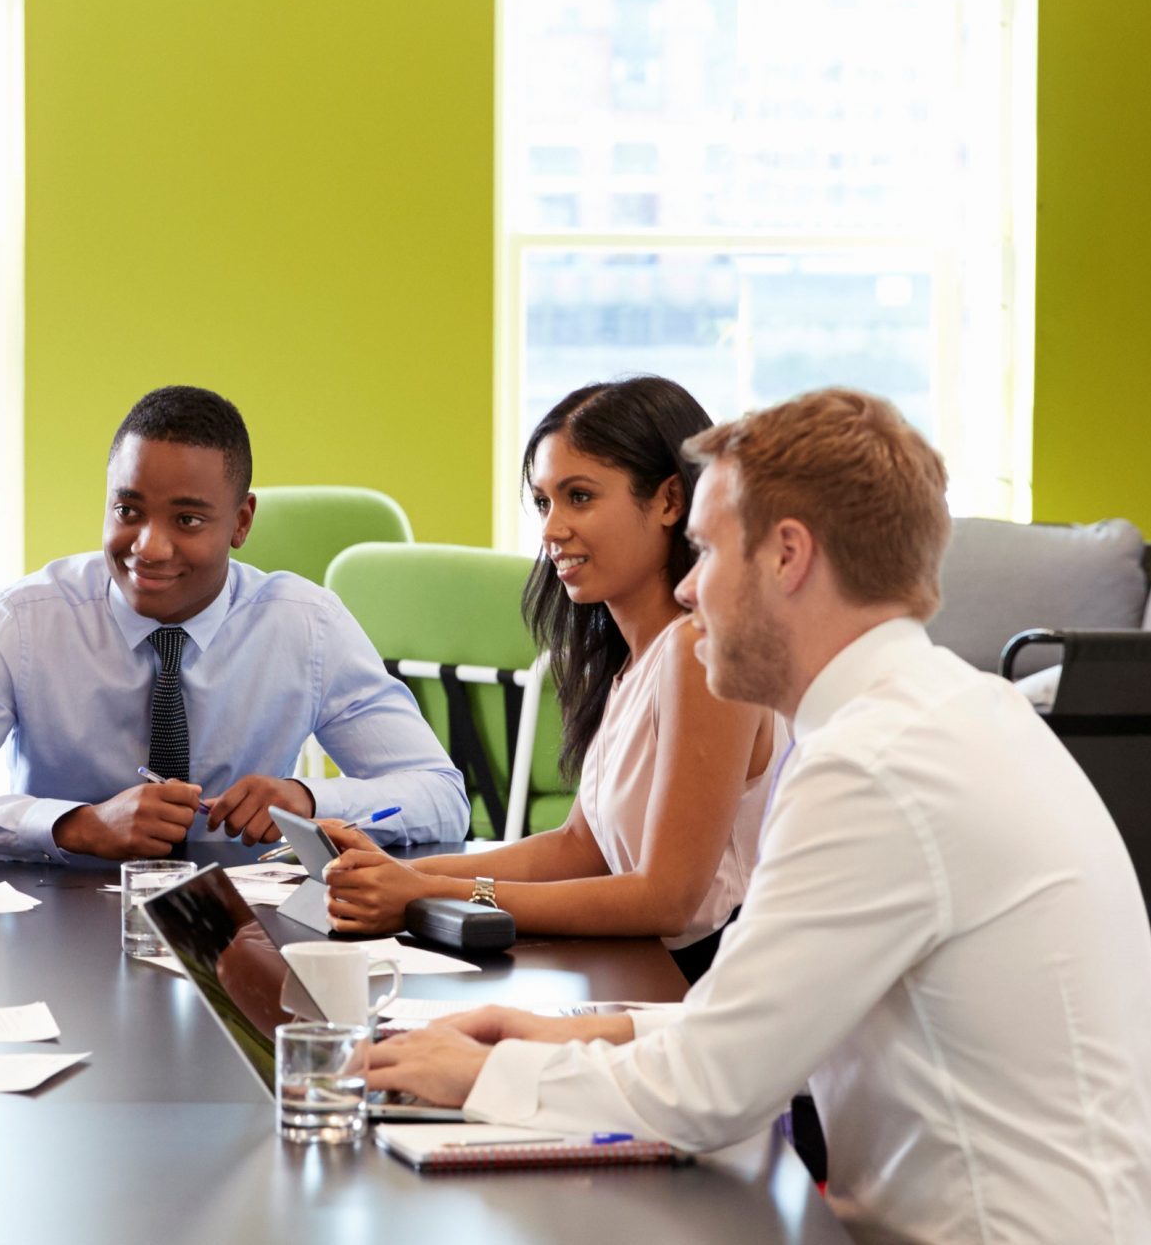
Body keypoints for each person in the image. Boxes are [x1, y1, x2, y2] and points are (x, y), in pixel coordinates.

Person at [363, 389, 1151, 1244]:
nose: (687, 587)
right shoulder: (945, 713)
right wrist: (585, 1032)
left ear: (786, 556)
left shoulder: (873, 765)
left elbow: (709, 1090)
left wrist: (483, 1075)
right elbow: (763, 1020)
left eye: (703, 550)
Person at [0, 385, 469, 862]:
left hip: (245, 927)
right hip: (60, 917)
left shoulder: (307, 627)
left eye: (188, 520)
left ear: (241, 522)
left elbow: (441, 797)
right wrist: (74, 825)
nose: (149, 548)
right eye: (128, 510)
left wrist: (309, 801)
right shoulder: (24, 623)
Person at [321, 376, 781, 981]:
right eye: (542, 502)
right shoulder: (632, 659)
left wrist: (426, 892)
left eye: (579, 497)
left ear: (670, 501)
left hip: (704, 988)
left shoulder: (698, 650)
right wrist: (397, 873)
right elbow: (578, 849)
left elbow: (666, 900)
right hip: (641, 973)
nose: (551, 529)